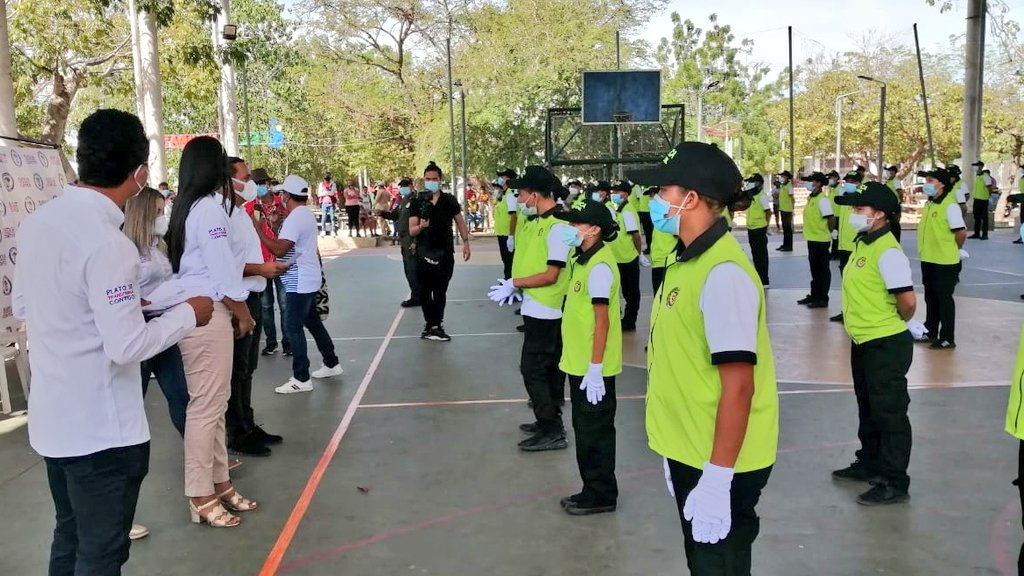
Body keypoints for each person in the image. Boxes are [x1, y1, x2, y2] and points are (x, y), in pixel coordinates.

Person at [14, 109, 211, 574]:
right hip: (101, 432)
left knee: (69, 535)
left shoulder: (38, 224)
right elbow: (127, 347)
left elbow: (24, 306)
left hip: (55, 421)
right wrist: (188, 313)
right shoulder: (108, 243)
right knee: (101, 552)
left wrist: (109, 305)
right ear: (139, 174)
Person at [630, 142, 778, 574]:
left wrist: (717, 475)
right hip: (692, 446)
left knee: (719, 564)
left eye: (663, 191)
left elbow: (739, 386)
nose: (656, 200)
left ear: (690, 198)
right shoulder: (688, 263)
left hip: (720, 459)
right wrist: (674, 448)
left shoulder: (722, 274)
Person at [166, 136, 259, 528]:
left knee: (215, 404)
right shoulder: (208, 210)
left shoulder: (189, 207)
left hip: (199, 311)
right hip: (208, 313)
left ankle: (219, 482)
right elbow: (223, 270)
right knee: (206, 407)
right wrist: (243, 313)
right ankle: (200, 493)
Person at [830, 182, 916, 506]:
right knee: (868, 407)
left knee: (890, 413)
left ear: (880, 214)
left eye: (859, 209)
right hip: (863, 340)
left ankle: (894, 481)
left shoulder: (888, 252)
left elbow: (908, 303)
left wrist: (888, 323)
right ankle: (869, 461)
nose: (853, 214)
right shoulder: (864, 243)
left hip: (885, 343)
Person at [489, 166, 572, 451]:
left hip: (549, 309)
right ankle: (547, 419)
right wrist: (518, 286)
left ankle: (552, 428)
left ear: (536, 195)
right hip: (535, 305)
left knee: (533, 369)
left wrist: (515, 282)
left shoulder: (558, 227)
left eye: (522, 194)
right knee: (543, 369)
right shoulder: (537, 222)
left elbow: (551, 275)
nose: (520, 199)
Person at [553, 197, 622, 516]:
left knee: (595, 433)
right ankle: (591, 488)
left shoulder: (600, 267)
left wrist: (595, 368)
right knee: (585, 430)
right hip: (579, 362)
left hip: (593, 368)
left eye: (575, 224)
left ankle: (601, 493)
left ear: (594, 229)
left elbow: (601, 321)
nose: (570, 228)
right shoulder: (581, 259)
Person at [254, 176, 345, 393]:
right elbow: (287, 244)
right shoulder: (303, 214)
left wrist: (257, 228)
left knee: (293, 326)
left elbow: (279, 249)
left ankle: (301, 377)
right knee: (312, 322)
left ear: (287, 196)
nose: (280, 198)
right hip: (306, 277)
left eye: (282, 194)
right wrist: (275, 226)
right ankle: (331, 362)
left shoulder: (296, 218)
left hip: (299, 280)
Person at [226, 158, 288, 456]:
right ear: (230, 181)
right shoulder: (222, 216)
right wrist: (260, 269)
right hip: (238, 298)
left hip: (253, 294)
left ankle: (248, 423)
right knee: (237, 369)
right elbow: (224, 265)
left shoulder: (243, 214)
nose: (252, 183)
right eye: (246, 176)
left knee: (248, 367)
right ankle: (237, 432)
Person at [408, 161, 472, 342]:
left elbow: (460, 221)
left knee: (440, 291)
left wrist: (466, 242)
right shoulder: (417, 201)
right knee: (424, 291)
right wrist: (421, 226)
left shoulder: (449, 200)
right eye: (428, 179)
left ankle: (437, 324)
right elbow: (412, 230)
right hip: (423, 252)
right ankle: (430, 324)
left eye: (434, 179)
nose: (431, 182)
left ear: (440, 179)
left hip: (444, 252)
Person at [916, 167, 966, 349]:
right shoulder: (929, 204)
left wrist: (954, 249)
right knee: (930, 297)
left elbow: (960, 233)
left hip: (945, 261)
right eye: (926, 180)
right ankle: (930, 331)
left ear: (942, 184)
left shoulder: (950, 206)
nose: (926, 184)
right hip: (928, 258)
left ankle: (947, 337)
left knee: (944, 299)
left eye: (930, 180)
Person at [246, 169, 291, 356]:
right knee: (265, 306)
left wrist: (278, 222)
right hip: (261, 261)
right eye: (256, 184)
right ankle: (271, 342)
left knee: (285, 304)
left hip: (281, 260)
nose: (260, 187)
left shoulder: (283, 204)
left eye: (262, 183)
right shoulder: (250, 207)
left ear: (268, 184)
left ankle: (288, 342)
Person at [608, 180, 645, 331]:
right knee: (623, 290)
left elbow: (636, 236)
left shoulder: (628, 212)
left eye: (618, 191)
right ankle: (624, 318)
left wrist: (639, 253)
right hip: (618, 257)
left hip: (628, 258)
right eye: (613, 191)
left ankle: (630, 320)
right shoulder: (620, 210)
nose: (614, 194)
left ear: (626, 194)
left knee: (631, 292)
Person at [379, 178, 422, 307]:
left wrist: (415, 241)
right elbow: (395, 215)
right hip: (404, 239)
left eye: (405, 185)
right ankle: (417, 294)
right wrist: (382, 213)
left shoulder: (416, 200)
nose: (402, 188)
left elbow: (420, 221)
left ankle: (417, 297)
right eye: (401, 186)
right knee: (408, 269)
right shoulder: (404, 201)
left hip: (411, 238)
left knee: (413, 269)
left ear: (411, 186)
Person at [796, 172, 836, 309]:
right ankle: (814, 295)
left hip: (821, 240)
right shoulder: (812, 198)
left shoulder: (822, 200)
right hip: (812, 238)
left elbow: (830, 218)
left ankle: (822, 298)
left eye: (811, 181)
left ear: (818, 183)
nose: (808, 183)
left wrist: (830, 232)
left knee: (822, 271)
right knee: (815, 270)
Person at [829, 171, 863, 323]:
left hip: (855, 247)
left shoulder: (861, 200)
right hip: (843, 246)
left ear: (859, 183)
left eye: (853, 181)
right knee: (845, 282)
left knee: (856, 283)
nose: (849, 184)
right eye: (847, 181)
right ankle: (846, 311)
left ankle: (856, 312)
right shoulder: (844, 197)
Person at [743, 174, 771, 287]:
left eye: (751, 182)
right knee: (755, 254)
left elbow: (768, 212)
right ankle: (758, 277)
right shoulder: (751, 196)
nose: (749, 184)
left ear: (758, 184)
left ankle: (764, 279)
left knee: (761, 255)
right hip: (751, 228)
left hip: (759, 228)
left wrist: (766, 225)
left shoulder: (762, 196)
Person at [494, 169, 520, 280]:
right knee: (505, 259)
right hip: (502, 232)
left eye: (502, 177)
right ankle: (507, 279)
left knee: (509, 259)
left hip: (507, 233)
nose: (500, 179)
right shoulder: (504, 193)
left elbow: (513, 216)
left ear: (508, 179)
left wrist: (511, 236)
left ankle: (510, 281)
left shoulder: (511, 193)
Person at [969, 161, 993, 240]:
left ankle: (985, 234)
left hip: (983, 200)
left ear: (981, 166)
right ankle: (976, 233)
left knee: (984, 218)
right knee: (977, 217)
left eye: (976, 166)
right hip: (976, 199)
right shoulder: (978, 176)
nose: (975, 168)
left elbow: (989, 187)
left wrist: (988, 195)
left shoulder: (985, 176)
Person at [883, 165, 904, 243]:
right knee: (889, 225)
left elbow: (900, 192)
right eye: (888, 171)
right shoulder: (888, 181)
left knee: (895, 225)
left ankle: (896, 242)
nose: (889, 172)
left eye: (891, 171)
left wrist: (900, 201)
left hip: (894, 206)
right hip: (888, 205)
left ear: (894, 172)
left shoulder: (896, 180)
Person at [776, 170, 794, 251]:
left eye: (783, 176)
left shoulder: (789, 185)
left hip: (787, 209)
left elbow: (791, 197)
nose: (781, 177)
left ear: (787, 177)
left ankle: (789, 246)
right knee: (785, 228)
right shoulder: (783, 185)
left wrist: (792, 207)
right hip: (782, 209)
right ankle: (785, 244)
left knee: (788, 228)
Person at [825, 170, 842, 258]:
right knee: (833, 235)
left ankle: (835, 253)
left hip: (838, 216)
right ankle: (834, 252)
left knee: (836, 235)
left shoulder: (840, 188)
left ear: (836, 178)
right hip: (832, 215)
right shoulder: (831, 189)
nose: (830, 179)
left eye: (831, 177)